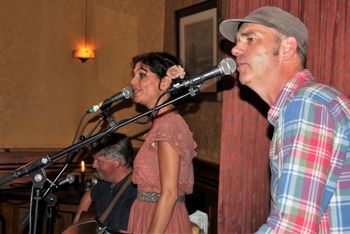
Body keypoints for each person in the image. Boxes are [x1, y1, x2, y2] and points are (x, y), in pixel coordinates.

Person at [219, 6, 350, 233]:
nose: (235, 49)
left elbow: (292, 227)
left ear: (287, 47)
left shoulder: (308, 105)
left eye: (250, 39)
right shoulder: (306, 103)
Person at [127, 52, 197, 234]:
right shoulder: (161, 123)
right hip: (149, 215)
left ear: (165, 83)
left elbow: (170, 193)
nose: (133, 82)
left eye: (141, 75)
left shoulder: (168, 125)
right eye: (133, 75)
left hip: (162, 223)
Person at [73, 133, 137, 233]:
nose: (94, 165)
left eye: (99, 161)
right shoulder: (106, 181)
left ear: (118, 163)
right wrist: (77, 227)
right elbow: (89, 195)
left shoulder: (133, 194)